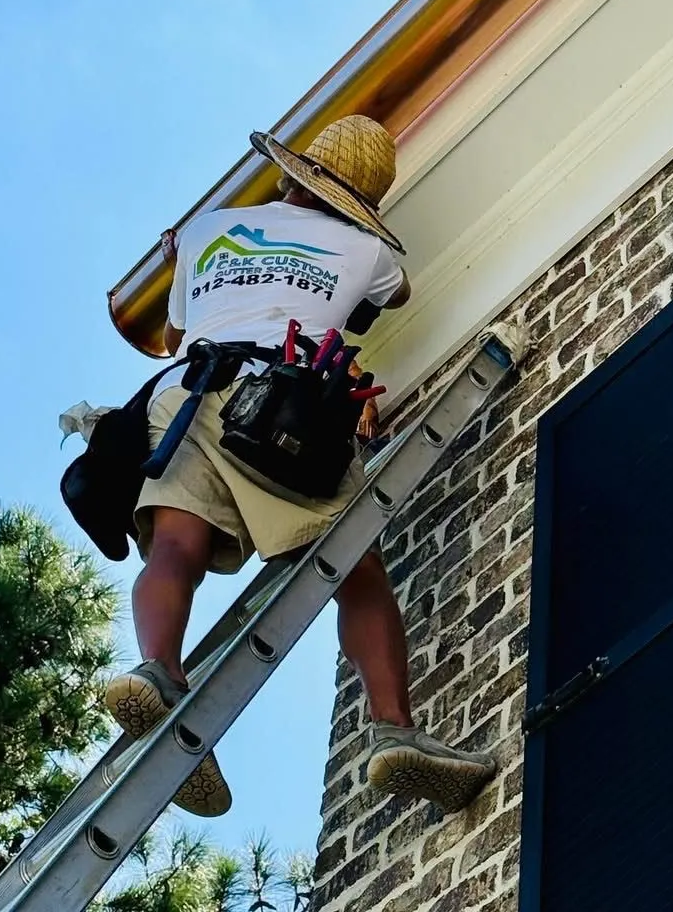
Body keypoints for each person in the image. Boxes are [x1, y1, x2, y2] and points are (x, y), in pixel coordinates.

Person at [105, 115, 496, 817]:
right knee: (358, 573)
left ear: (292, 174)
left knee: (174, 546)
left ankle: (159, 670)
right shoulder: (365, 249)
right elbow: (393, 296)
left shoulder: (201, 233)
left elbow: (171, 336)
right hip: (279, 408)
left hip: (184, 400)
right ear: (361, 203)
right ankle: (393, 730)